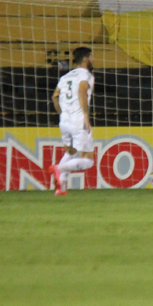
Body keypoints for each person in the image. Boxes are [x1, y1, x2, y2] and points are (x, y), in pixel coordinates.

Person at [49, 47, 95, 196]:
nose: (93, 59)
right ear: (86, 58)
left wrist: (62, 114)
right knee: (88, 160)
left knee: (70, 152)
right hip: (78, 120)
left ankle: (60, 188)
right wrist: (85, 115)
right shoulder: (86, 75)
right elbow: (82, 90)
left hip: (65, 121)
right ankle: (59, 168)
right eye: (92, 57)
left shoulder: (65, 77)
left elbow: (55, 96)